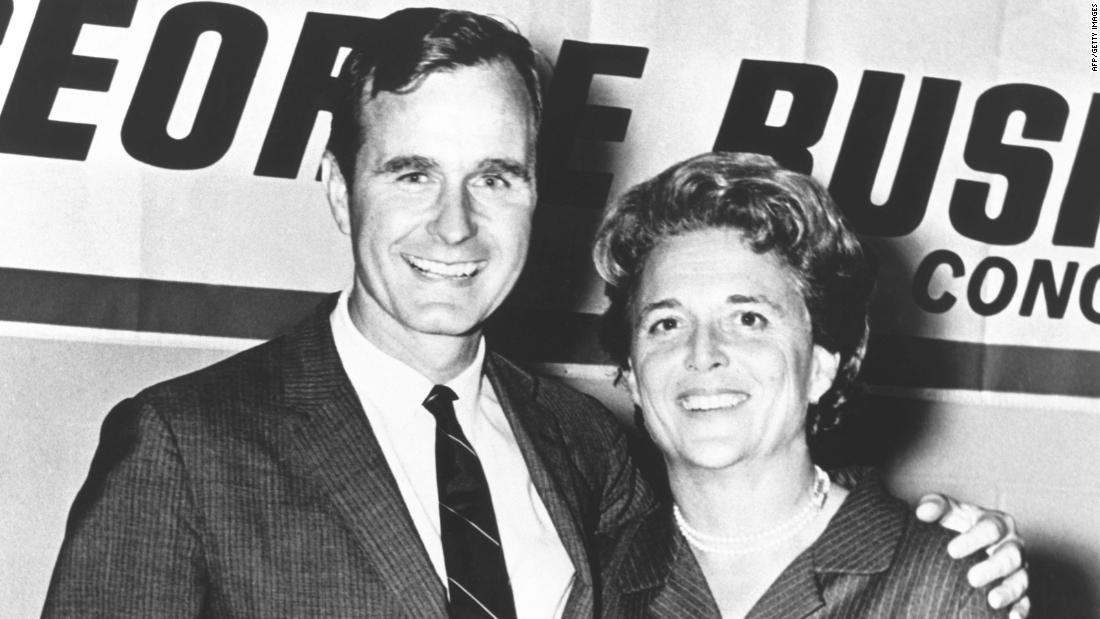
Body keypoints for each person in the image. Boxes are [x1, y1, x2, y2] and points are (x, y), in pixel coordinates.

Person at [43, 8, 1027, 618]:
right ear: (341, 190)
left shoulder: (584, 451)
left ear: (535, 198)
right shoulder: (183, 446)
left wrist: (947, 544)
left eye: (495, 177)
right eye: (411, 171)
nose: (455, 223)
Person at [593, 151, 1029, 618]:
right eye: (666, 323)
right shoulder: (596, 580)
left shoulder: (936, 580)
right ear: (634, 376)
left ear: (820, 368)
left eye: (748, 318)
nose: (703, 353)